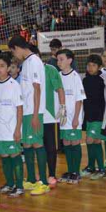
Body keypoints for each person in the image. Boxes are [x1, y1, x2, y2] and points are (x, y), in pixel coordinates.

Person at [9, 36, 49, 195]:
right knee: (27, 144)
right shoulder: (26, 63)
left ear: (17, 48)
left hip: (34, 111)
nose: (15, 56)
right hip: (26, 111)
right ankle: (32, 180)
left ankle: (44, 182)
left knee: (37, 144)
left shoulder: (34, 62)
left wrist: (34, 114)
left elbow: (37, 89)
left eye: (14, 52)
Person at [0, 52, 24, 196]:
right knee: (4, 156)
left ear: (8, 68)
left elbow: (19, 108)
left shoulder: (14, 85)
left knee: (14, 156)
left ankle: (19, 186)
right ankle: (9, 183)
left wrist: (18, 129)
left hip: (12, 129)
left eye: (2, 66)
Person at [82, 54, 106, 179]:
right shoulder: (85, 79)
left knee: (90, 140)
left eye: (93, 65)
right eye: (89, 65)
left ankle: (100, 169)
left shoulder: (103, 79)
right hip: (89, 117)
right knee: (95, 141)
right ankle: (92, 167)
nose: (90, 68)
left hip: (99, 117)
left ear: (99, 67)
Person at [56, 49, 85, 184]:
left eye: (61, 59)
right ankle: (70, 170)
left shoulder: (75, 77)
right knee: (66, 142)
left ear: (69, 60)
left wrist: (76, 118)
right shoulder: (58, 76)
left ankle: (76, 171)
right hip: (63, 116)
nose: (59, 62)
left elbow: (79, 99)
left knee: (74, 142)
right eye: (57, 60)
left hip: (74, 116)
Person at [41, 46, 65, 187]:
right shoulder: (27, 70)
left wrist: (62, 108)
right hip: (34, 116)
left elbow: (59, 89)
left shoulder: (50, 70)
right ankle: (42, 175)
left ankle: (51, 174)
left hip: (49, 116)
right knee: (39, 147)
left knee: (50, 147)